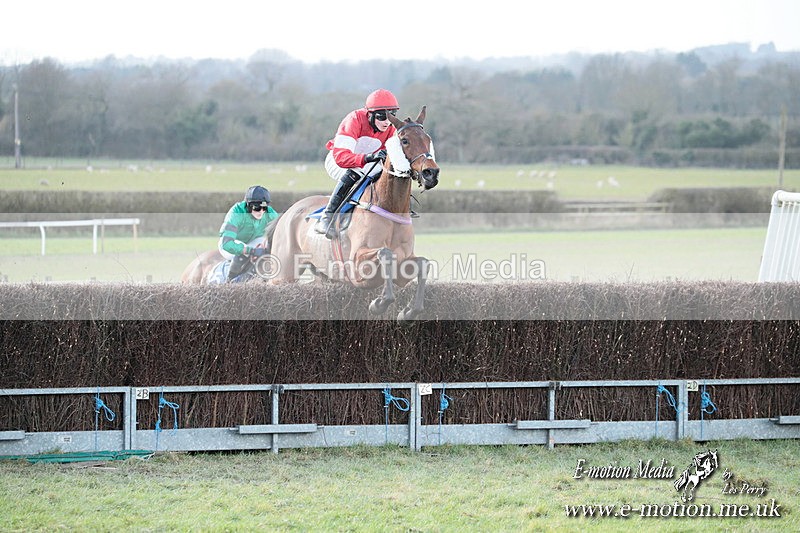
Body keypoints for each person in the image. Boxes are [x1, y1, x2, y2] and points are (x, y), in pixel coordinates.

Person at [314, 88, 400, 238]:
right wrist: (367, 157)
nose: (387, 122)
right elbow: (342, 157)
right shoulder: (354, 119)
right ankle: (326, 217)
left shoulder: (390, 129)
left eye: (391, 116)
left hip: (366, 163)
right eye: (382, 116)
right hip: (337, 160)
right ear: (370, 114)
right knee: (354, 172)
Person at [218, 185, 279, 281]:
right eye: (256, 207)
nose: (261, 211)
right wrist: (251, 251)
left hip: (253, 241)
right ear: (247, 204)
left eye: (264, 207)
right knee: (241, 254)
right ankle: (229, 282)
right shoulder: (236, 213)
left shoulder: (270, 213)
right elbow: (227, 244)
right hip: (231, 243)